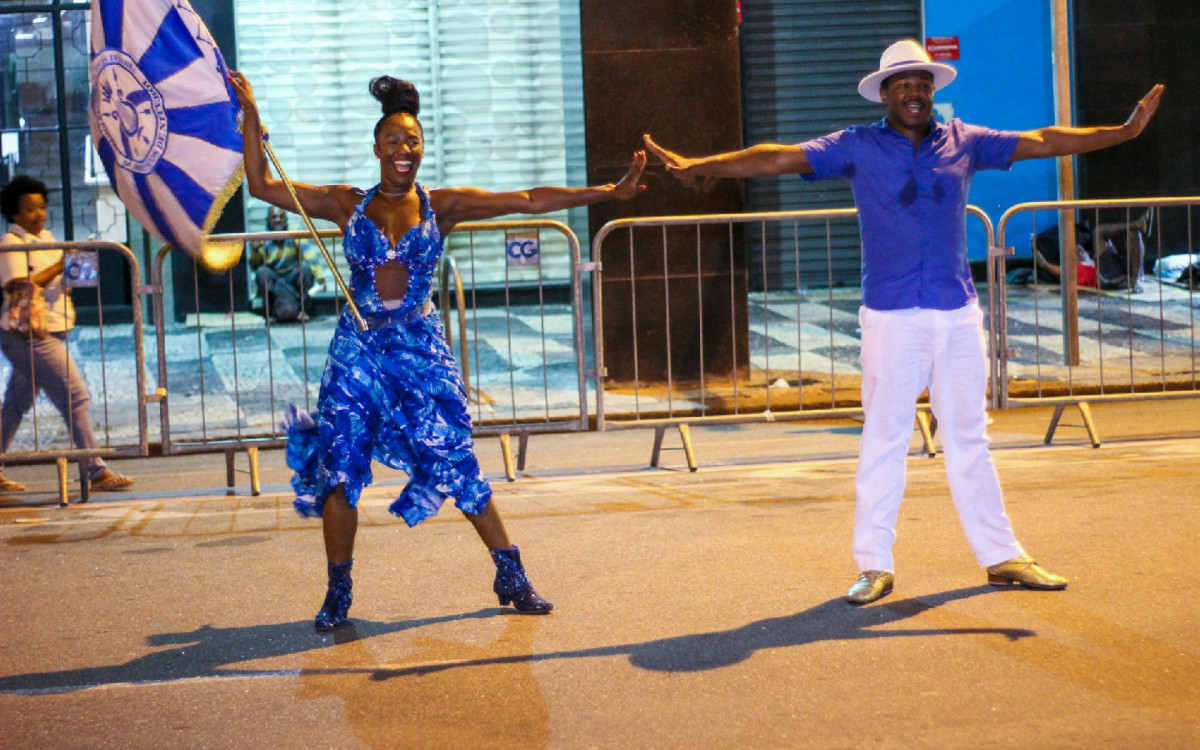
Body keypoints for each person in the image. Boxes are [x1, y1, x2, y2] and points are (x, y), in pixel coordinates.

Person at [643, 39, 1163, 604]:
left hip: (958, 314)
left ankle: (1002, 555)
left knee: (969, 437)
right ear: (886, 92)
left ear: (932, 91)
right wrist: (704, 166)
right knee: (884, 437)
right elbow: (776, 155)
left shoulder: (966, 142)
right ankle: (874, 565)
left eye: (924, 82)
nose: (916, 91)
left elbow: (1043, 141)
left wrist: (1122, 132)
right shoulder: (857, 146)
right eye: (904, 83)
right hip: (892, 317)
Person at [229, 70, 647, 629]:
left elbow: (525, 199)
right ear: (376, 147)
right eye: (394, 141)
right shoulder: (343, 204)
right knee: (338, 468)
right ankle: (338, 589)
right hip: (358, 351)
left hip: (419, 351)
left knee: (453, 457)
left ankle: (511, 572)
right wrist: (251, 112)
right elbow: (260, 183)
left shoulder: (441, 205)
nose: (405, 150)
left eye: (414, 141)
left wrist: (606, 193)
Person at [0, 175, 134, 493]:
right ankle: (95, 468)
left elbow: (65, 283)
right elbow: (20, 285)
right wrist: (62, 263)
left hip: (52, 330)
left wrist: (76, 266)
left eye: (42, 206)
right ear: (14, 214)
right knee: (75, 394)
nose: (39, 214)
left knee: (15, 404)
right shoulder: (10, 244)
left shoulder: (47, 238)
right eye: (30, 209)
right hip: (28, 336)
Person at [248, 205, 323, 322]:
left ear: (286, 219)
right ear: (268, 220)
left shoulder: (294, 232)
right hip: (275, 277)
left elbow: (308, 254)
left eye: (281, 217)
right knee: (262, 272)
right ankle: (270, 313)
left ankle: (303, 310)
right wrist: (255, 251)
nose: (278, 220)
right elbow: (254, 266)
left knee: (306, 268)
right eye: (274, 217)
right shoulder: (262, 237)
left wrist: (320, 276)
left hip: (291, 274)